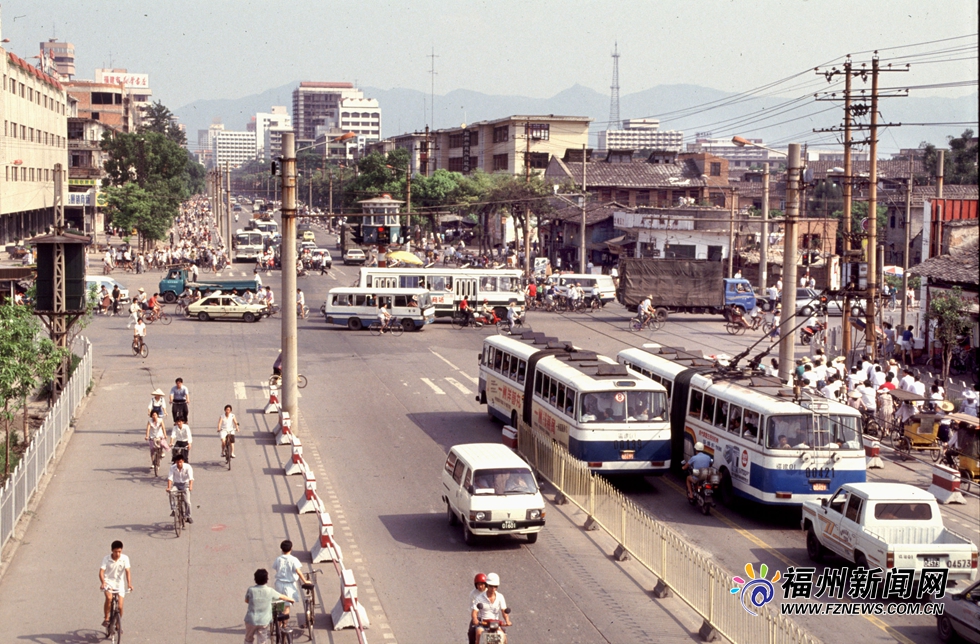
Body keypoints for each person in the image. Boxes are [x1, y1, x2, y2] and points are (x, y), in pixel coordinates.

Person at [244, 568, 296, 644]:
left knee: (248, 639)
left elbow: (247, 600)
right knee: (262, 641)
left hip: (251, 620)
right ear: (267, 579)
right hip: (263, 621)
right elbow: (282, 596)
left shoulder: (251, 590)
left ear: (255, 579)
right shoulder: (270, 590)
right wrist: (291, 600)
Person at [273, 540, 310, 624]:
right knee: (286, 607)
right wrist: (305, 581)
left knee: (279, 605)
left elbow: (276, 568)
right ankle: (284, 626)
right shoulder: (293, 559)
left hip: (279, 584)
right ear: (291, 549)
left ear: (281, 549)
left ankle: (279, 625)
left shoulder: (278, 559)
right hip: (289, 586)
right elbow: (298, 571)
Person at [99, 540, 133, 628]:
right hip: (108, 583)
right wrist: (103, 583)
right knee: (109, 598)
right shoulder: (106, 559)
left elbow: (127, 571)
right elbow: (101, 572)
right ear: (111, 550)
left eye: (119, 551)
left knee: (120, 606)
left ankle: (118, 623)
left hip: (120, 584)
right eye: (115, 551)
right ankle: (106, 618)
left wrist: (129, 584)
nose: (117, 554)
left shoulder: (125, 558)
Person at [472, 572, 511, 643]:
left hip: (495, 624)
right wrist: (475, 619)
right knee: (478, 633)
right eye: (491, 586)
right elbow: (475, 611)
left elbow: (504, 611)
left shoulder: (500, 597)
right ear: (487, 585)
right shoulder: (479, 598)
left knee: (504, 637)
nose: (493, 588)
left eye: (495, 586)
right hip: (483, 623)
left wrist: (507, 620)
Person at [166, 453, 194, 523]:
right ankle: (174, 510)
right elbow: (170, 478)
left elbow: (191, 478)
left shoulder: (188, 467)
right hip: (176, 485)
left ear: (183, 461)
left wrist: (190, 486)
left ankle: (188, 516)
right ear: (175, 462)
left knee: (187, 501)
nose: (179, 464)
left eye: (180, 462)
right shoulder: (173, 467)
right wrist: (169, 487)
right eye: (177, 462)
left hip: (185, 484)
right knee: (171, 493)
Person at [468, 574, 488, 644]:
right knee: (471, 631)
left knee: (502, 631)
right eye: (478, 584)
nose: (480, 586)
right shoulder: (473, 594)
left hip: (490, 616)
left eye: (482, 584)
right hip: (478, 617)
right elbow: (472, 608)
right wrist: (475, 619)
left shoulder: (489, 592)